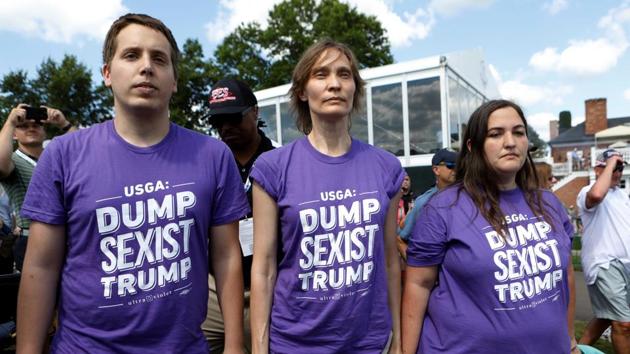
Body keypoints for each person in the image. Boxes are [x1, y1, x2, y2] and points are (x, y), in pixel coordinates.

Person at [16, 14, 248, 353]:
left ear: (174, 80)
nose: (146, 67)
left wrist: (234, 345)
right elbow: (40, 266)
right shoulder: (64, 155)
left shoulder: (213, 156)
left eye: (159, 58)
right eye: (131, 55)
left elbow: (227, 256)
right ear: (107, 74)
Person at [250, 39, 404, 353]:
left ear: (355, 90)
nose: (334, 84)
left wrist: (399, 340)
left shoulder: (385, 166)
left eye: (344, 75)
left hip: (369, 343)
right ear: (303, 91)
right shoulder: (273, 167)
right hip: (294, 342)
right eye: (321, 74)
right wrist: (259, 347)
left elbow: (390, 260)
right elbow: (264, 268)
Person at [402, 99, 578, 354]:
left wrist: (570, 340)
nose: (510, 142)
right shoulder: (443, 209)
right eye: (496, 134)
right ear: (473, 147)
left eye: (518, 132)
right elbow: (418, 285)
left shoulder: (549, 203)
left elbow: (567, 274)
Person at [201, 78, 275, 353]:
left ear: (255, 112)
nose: (226, 127)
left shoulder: (279, 160)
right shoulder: (207, 164)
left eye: (233, 118)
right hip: (213, 289)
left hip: (269, 287)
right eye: (217, 122)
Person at [0, 104, 76, 272]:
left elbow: (83, 150)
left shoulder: (55, 156)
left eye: (36, 125)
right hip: (31, 239)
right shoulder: (13, 161)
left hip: (69, 237)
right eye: (24, 126)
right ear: (14, 134)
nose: (31, 128)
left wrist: (64, 124)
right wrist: (11, 122)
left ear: (44, 130)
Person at [577, 149, 630, 353]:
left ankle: (575, 351)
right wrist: (611, 163)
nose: (618, 171)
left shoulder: (622, 195)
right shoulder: (587, 190)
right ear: (598, 168)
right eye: (613, 167)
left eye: (620, 167)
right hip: (604, 264)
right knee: (623, 324)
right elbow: (597, 195)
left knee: (606, 317)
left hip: (624, 265)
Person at [397, 148, 456, 261]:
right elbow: (400, 240)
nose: (456, 169)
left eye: (460, 165)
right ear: (436, 169)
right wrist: (417, 270)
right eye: (451, 165)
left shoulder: (469, 196)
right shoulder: (425, 202)